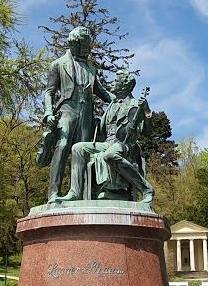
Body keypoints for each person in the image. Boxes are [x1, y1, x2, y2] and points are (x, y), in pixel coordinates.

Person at [38, 27, 113, 203]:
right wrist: (48, 112)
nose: (87, 49)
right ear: (74, 44)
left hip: (86, 115)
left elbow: (103, 92)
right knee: (62, 146)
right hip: (66, 111)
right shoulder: (58, 64)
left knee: (82, 152)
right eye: (84, 45)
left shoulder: (91, 69)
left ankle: (80, 194)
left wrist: (123, 99)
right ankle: (53, 193)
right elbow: (49, 92)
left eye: (89, 45)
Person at [68, 70, 154, 203]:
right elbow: (104, 128)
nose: (112, 83)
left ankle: (146, 188)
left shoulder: (136, 105)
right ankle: (75, 193)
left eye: (116, 81)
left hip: (125, 144)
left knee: (110, 155)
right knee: (77, 148)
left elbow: (147, 131)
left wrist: (147, 112)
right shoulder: (112, 104)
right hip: (107, 142)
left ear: (124, 85)